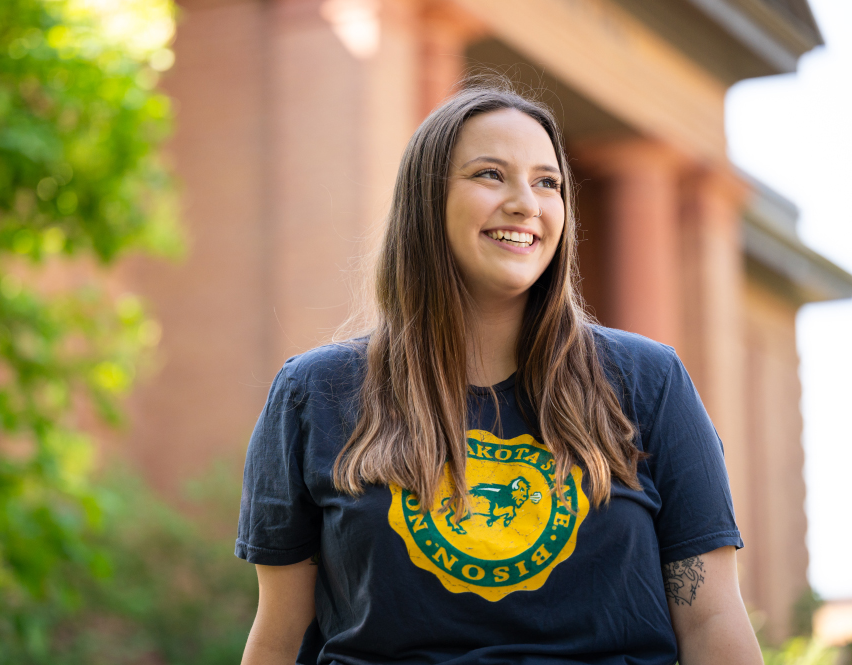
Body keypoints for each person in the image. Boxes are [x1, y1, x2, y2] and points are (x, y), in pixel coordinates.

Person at [235, 84, 763, 665]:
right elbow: (280, 634)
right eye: (490, 174)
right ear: (426, 201)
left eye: (547, 183)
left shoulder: (649, 382)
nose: (526, 204)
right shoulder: (315, 393)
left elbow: (712, 619)